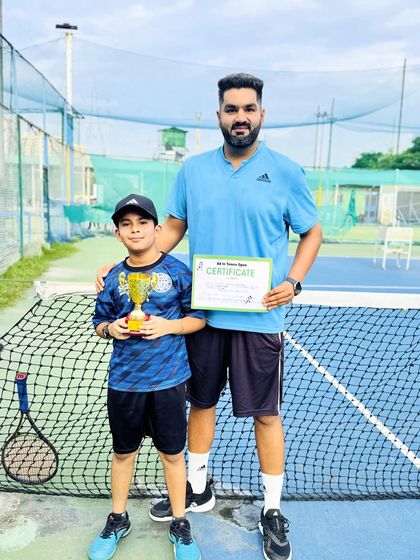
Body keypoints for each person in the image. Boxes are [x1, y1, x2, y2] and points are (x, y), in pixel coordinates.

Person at [96, 74, 322, 560]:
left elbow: (312, 232)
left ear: (261, 114)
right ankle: (197, 489)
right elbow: (172, 227)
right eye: (231, 109)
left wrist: (294, 281)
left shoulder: (286, 172)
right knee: (200, 404)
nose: (240, 117)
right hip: (203, 315)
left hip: (260, 319)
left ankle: (272, 509)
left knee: (266, 415)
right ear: (219, 115)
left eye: (248, 109)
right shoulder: (193, 170)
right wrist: (122, 267)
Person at [89, 193, 205, 560]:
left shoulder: (177, 272)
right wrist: (112, 329)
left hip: (169, 381)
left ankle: (180, 522)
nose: (135, 229)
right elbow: (99, 322)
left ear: (157, 229)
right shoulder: (112, 278)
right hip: (124, 383)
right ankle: (118, 518)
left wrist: (169, 326)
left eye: (142, 223)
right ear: (118, 233)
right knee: (124, 454)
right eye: (126, 224)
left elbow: (198, 318)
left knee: (172, 455)